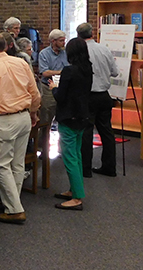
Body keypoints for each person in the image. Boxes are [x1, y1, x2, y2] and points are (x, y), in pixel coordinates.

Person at [0, 33, 40, 224]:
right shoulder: (21, 63)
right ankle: (11, 201)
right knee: (18, 163)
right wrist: (33, 113)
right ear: (6, 46)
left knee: (2, 164)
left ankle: (14, 209)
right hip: (23, 117)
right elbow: (35, 93)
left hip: (3, 119)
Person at [49, 37, 93, 210]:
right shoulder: (87, 69)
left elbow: (61, 96)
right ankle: (74, 189)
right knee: (77, 155)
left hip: (68, 117)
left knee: (70, 157)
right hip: (82, 117)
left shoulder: (68, 71)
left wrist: (53, 87)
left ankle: (77, 198)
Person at [77, 23, 119, 178]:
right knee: (107, 131)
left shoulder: (80, 51)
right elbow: (115, 72)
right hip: (104, 95)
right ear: (92, 33)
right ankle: (109, 167)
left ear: (78, 35)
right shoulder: (104, 49)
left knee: (86, 131)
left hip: (88, 96)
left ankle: (85, 169)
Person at [38, 29, 69, 126]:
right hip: (48, 88)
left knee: (64, 116)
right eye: (61, 41)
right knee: (47, 117)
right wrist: (62, 72)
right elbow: (45, 73)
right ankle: (44, 140)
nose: (64, 43)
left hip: (63, 87)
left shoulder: (66, 53)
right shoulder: (44, 54)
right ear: (53, 41)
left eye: (64, 40)